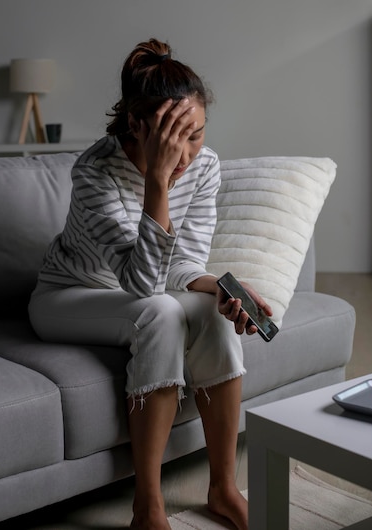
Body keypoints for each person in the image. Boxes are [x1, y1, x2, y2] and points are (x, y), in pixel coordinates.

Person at [29, 38, 272, 530]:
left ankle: (223, 488)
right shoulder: (95, 172)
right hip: (68, 295)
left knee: (211, 312)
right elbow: (143, 287)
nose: (185, 155)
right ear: (136, 126)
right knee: (159, 311)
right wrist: (157, 183)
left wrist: (216, 287)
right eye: (171, 137)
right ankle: (148, 504)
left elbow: (181, 264)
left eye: (196, 136)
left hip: (140, 289)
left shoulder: (205, 167)